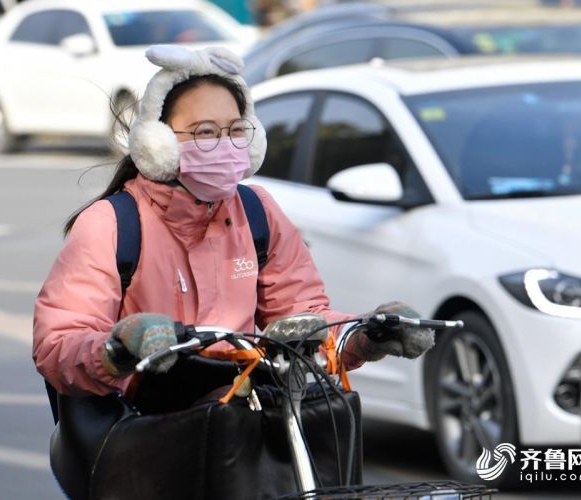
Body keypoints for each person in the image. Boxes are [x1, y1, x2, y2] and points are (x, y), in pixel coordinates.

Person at [32, 44, 433, 402]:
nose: (223, 144)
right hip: (145, 433)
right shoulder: (109, 224)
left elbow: (301, 322)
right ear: (158, 143)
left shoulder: (258, 210)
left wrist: (365, 335)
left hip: (242, 421)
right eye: (205, 132)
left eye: (235, 130)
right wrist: (118, 349)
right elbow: (59, 344)